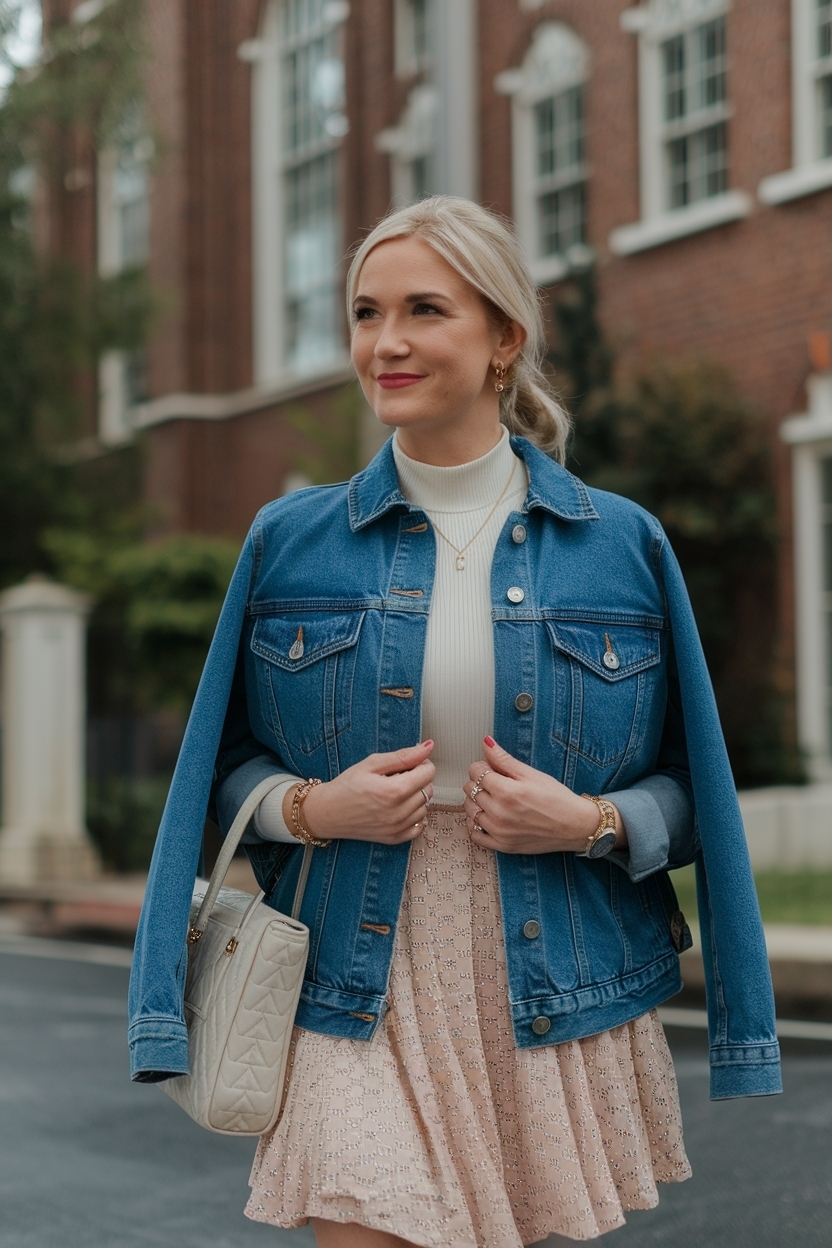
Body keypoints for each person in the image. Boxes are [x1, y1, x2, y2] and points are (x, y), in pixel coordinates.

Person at [128, 196, 781, 1248]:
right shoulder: (289, 540)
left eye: (424, 310)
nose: (385, 342)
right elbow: (216, 760)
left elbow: (691, 788)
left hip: (551, 968)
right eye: (365, 312)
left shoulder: (620, 546)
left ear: (502, 339)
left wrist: (587, 824)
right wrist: (307, 806)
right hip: (348, 964)